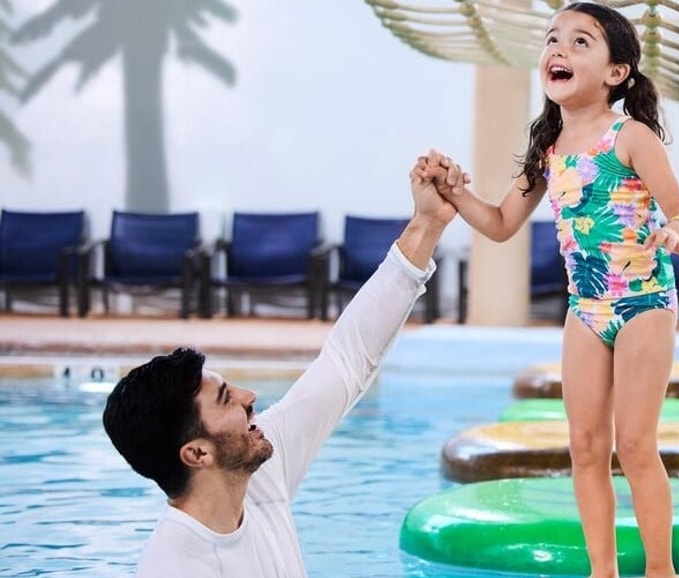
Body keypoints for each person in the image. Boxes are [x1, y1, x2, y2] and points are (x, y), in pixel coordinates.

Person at [419, 4, 679, 577]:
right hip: (586, 309)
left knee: (636, 446)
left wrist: (677, 229)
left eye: (579, 42)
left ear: (616, 72)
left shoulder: (632, 136)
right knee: (586, 448)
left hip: (643, 301)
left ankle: (660, 570)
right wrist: (452, 190)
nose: (558, 51)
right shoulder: (549, 146)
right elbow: (499, 223)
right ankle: (604, 571)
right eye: (553, 40)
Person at [101, 159, 464, 577]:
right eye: (226, 400)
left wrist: (428, 223)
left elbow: (347, 359)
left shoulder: (256, 477)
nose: (249, 398)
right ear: (197, 453)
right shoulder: (175, 568)